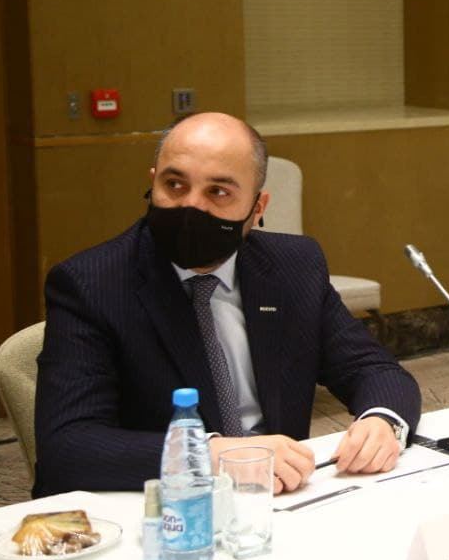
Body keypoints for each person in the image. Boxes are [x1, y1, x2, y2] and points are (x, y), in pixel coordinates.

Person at [34, 112, 421, 498]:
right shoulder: (92, 283)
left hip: (282, 498)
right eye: (174, 185)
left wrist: (382, 421)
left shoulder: (294, 267)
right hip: (166, 507)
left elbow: (373, 370)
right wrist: (208, 455)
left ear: (257, 207)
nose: (191, 206)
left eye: (218, 192)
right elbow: (67, 447)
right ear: (152, 183)